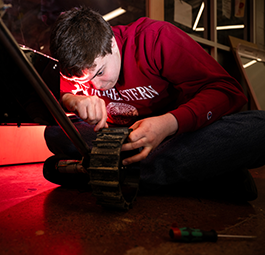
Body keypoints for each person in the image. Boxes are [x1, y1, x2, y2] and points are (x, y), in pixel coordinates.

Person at [43, 6, 265, 201]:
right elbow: (66, 94)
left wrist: (169, 123)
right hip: (122, 141)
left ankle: (104, 173)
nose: (95, 85)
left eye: (100, 72)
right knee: (54, 132)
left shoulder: (156, 38)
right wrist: (72, 99)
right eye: (82, 80)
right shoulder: (75, 64)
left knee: (260, 127)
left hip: (176, 136)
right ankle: (204, 174)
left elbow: (228, 91)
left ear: (111, 42)